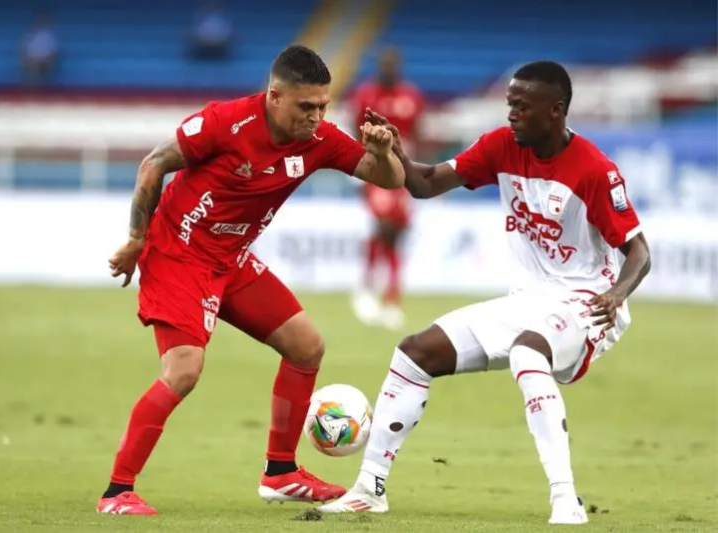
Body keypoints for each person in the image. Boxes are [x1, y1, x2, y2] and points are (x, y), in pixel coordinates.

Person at [319, 61, 651, 525]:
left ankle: (566, 499)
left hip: (586, 303)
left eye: (521, 106)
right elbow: (425, 183)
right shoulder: (501, 146)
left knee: (527, 352)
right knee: (414, 353)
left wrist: (616, 294)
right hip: (528, 300)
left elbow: (639, 251)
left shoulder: (594, 169)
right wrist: (396, 152)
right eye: (509, 103)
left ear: (555, 111)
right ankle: (369, 488)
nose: (511, 113)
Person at [98, 45, 405, 516]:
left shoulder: (318, 139)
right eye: (307, 107)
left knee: (307, 346)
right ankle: (118, 492)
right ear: (274, 97)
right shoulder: (226, 123)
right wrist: (137, 238)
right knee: (184, 371)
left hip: (231, 260)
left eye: (323, 106)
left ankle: (280, 473)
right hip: (178, 254)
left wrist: (382, 154)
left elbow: (388, 179)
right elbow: (153, 163)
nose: (316, 117)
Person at [348, 47, 425, 329]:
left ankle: (391, 297)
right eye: (385, 63)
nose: (389, 68)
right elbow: (354, 130)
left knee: (396, 233)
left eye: (394, 64)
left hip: (403, 172)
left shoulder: (412, 97)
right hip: (376, 170)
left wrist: (417, 173)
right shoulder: (366, 95)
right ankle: (367, 289)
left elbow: (418, 134)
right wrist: (358, 173)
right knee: (381, 228)